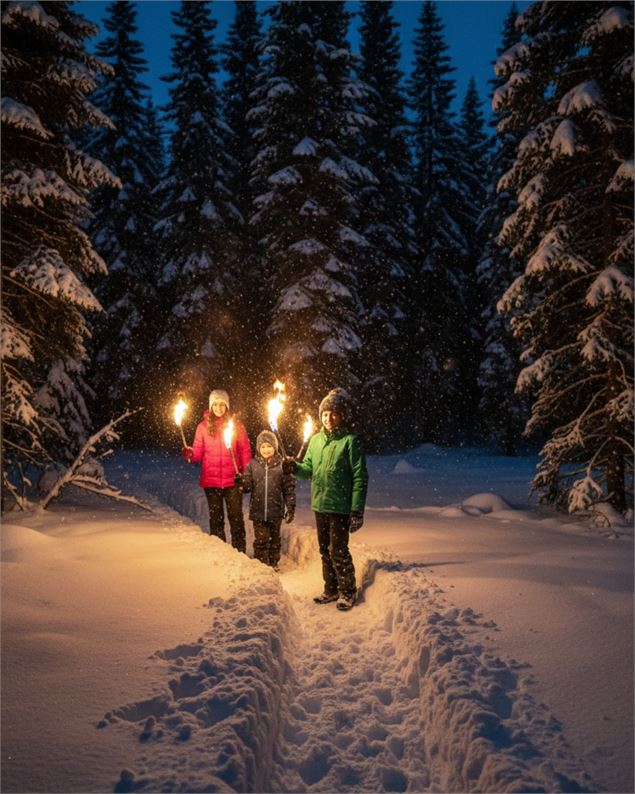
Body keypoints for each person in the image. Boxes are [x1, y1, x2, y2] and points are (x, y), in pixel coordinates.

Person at [284, 388, 368, 611]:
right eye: (324, 414)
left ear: (341, 415)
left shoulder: (350, 441)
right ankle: (331, 589)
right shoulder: (316, 440)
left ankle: (348, 591)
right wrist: (294, 468)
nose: (328, 418)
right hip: (320, 504)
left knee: (338, 549)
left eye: (333, 413)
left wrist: (356, 510)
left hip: (340, 506)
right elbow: (307, 469)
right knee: (324, 549)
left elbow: (360, 477)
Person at [182, 389, 251, 552]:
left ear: (227, 406)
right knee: (216, 518)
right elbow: (198, 453)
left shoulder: (237, 426)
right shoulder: (202, 427)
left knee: (236, 517)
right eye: (216, 404)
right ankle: (221, 551)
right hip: (211, 481)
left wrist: (246, 475)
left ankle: (239, 551)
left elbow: (245, 451)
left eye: (222, 404)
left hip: (233, 480)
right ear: (210, 406)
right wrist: (190, 454)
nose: (219, 408)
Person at [237, 430, 295, 569]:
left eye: (269, 446)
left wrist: (290, 506)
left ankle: (273, 562)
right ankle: (262, 564)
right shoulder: (252, 465)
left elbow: (289, 488)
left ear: (275, 447)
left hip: (275, 510)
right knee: (261, 540)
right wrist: (242, 483)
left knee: (274, 539)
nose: (266, 450)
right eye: (263, 447)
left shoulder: (282, 465)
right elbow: (247, 487)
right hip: (258, 510)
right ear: (258, 448)